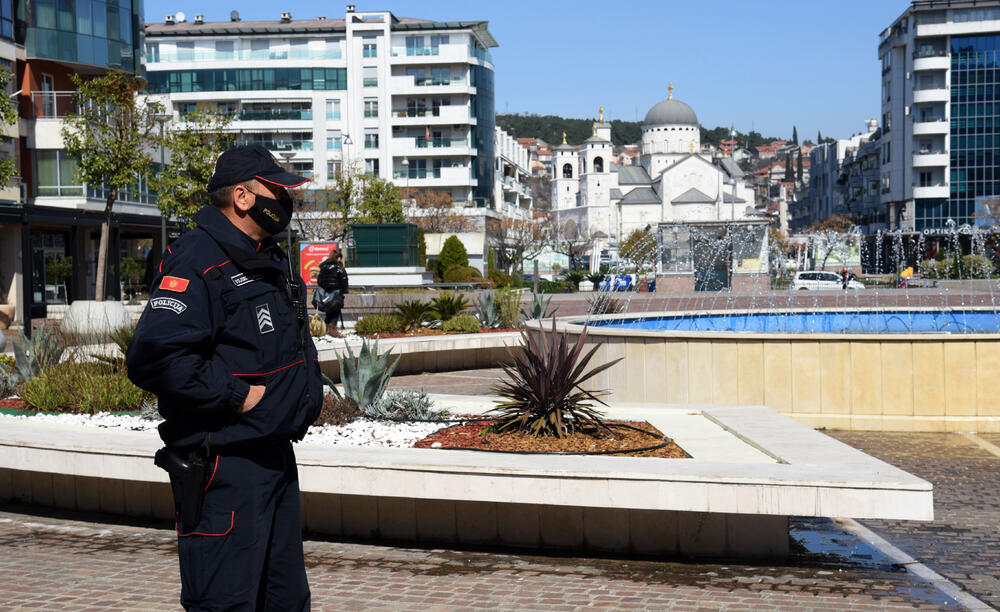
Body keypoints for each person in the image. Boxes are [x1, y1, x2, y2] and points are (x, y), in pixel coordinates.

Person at [126, 144, 322, 611]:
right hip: (224, 465)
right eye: (277, 191)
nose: (287, 201)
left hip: (273, 454)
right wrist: (237, 396)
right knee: (225, 602)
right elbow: (155, 357)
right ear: (242, 196)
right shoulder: (198, 258)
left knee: (285, 601)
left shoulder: (265, 256)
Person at [314, 250, 348, 330]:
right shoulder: (339, 268)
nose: (339, 259)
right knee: (335, 311)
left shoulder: (324, 267)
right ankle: (332, 328)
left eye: (340, 257)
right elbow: (344, 280)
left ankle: (326, 328)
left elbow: (319, 281)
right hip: (336, 292)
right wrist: (344, 290)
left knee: (328, 311)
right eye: (338, 257)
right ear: (335, 258)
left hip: (325, 294)